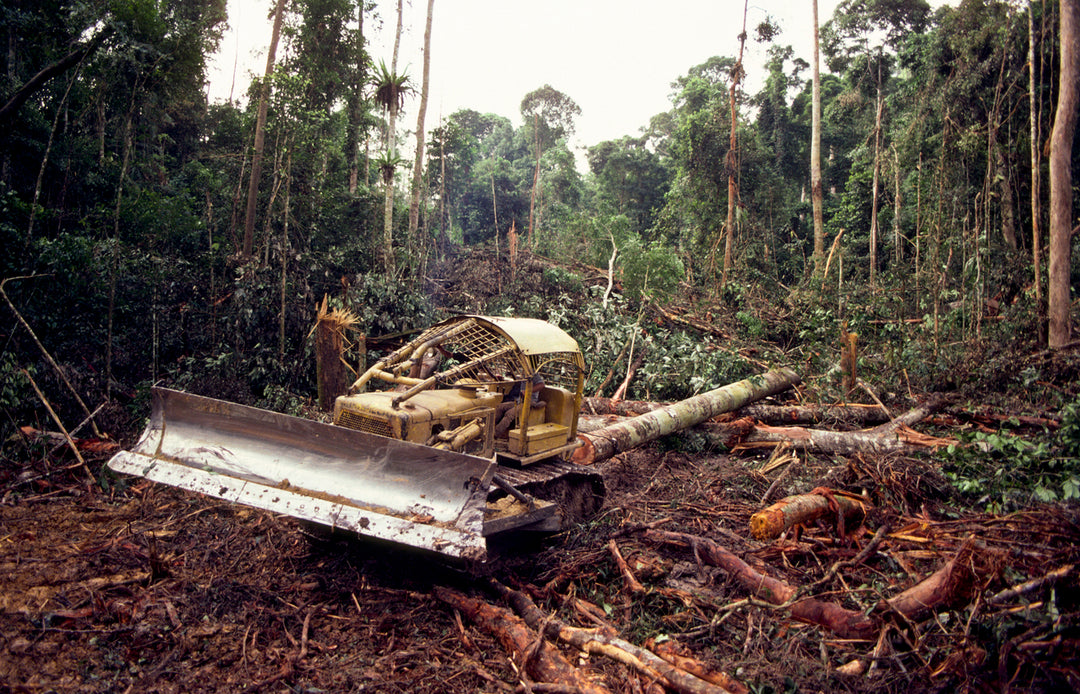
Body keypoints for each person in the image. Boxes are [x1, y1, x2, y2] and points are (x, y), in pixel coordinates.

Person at [494, 373, 546, 437]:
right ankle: (490, 428)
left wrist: (528, 391)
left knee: (510, 413)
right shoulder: (524, 374)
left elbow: (541, 385)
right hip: (519, 401)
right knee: (500, 407)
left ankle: (495, 434)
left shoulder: (533, 374)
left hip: (529, 402)